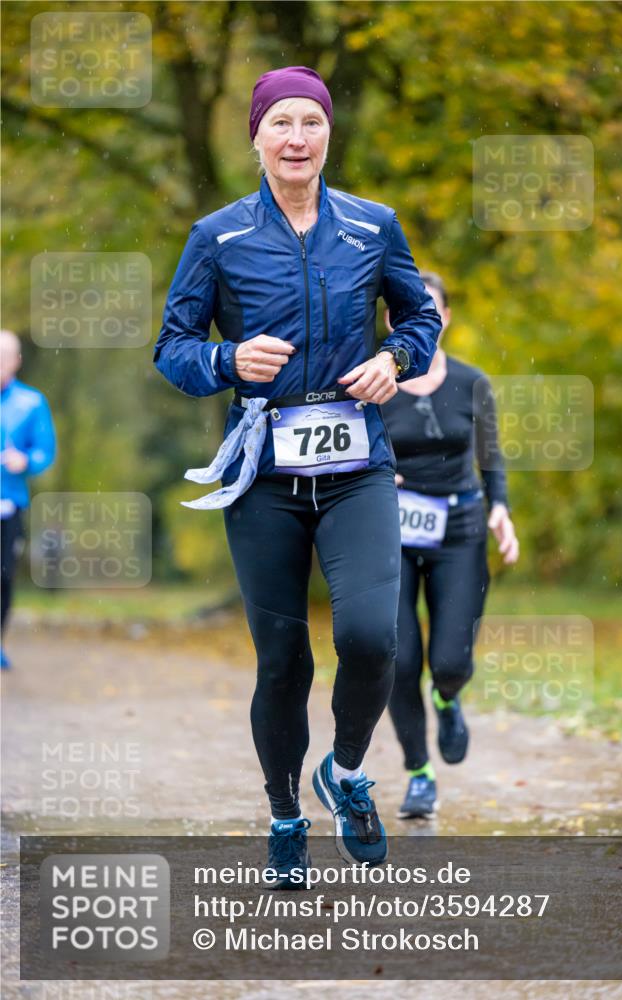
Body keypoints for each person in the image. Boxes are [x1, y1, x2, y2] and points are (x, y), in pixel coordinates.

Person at [154, 67, 441, 879]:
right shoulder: (218, 237)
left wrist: (395, 357)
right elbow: (171, 349)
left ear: (326, 137)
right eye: (279, 122)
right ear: (256, 137)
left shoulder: (372, 226)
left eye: (309, 123)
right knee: (282, 659)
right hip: (264, 469)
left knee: (369, 636)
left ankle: (345, 773)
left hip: (356, 462)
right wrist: (225, 356)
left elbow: (416, 316)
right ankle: (285, 816)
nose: (295, 137)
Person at [381, 272, 519, 819]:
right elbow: (346, 445)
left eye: (429, 310)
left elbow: (491, 455)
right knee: (397, 658)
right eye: (404, 311)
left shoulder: (471, 382)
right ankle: (418, 773)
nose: (417, 319)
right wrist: (374, 473)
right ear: (391, 319)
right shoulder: (371, 380)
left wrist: (500, 508)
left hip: (459, 531)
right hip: (387, 535)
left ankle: (447, 696)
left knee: (449, 661)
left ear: (446, 318)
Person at [0, 330, 57, 669]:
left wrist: (26, 461)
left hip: (9, 505)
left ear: (17, 361)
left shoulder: (32, 403)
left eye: (3, 358)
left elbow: (45, 453)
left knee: (3, 578)